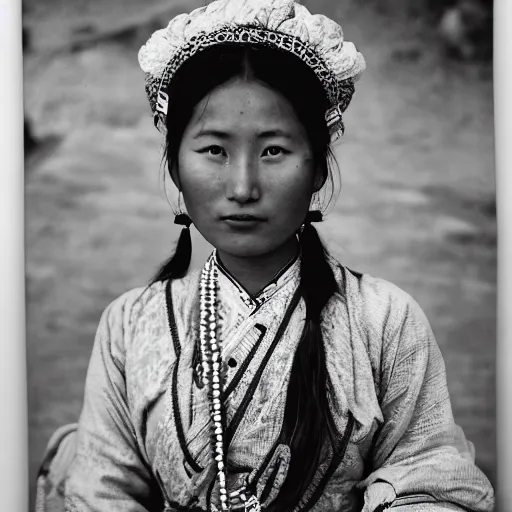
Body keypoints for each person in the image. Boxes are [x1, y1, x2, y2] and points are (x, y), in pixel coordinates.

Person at [38, 1, 494, 511]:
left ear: (318, 167)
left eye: (273, 150)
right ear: (174, 167)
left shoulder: (384, 322)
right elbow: (102, 493)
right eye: (214, 150)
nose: (243, 186)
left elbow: (430, 482)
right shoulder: (129, 327)